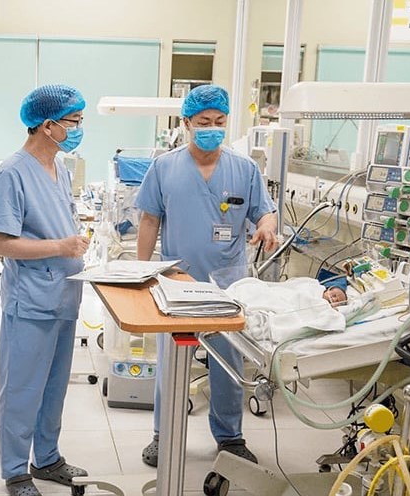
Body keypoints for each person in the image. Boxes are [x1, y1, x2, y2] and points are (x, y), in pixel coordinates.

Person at [135, 84, 279, 469]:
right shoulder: (164, 167)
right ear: (186, 123)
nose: (212, 128)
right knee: (171, 363)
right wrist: (140, 273)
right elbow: (149, 220)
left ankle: (230, 437)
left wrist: (267, 225)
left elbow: (264, 212)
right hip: (176, 283)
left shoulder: (244, 169)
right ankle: (163, 435)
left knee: (228, 364)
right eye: (203, 122)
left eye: (219, 121)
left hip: (226, 286)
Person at [0, 84, 91, 496]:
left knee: (53, 387)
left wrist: (73, 245)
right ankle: (15, 470)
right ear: (48, 126)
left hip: (63, 295)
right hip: (31, 300)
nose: (78, 129)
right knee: (22, 390)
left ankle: (47, 458)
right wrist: (61, 247)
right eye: (73, 122)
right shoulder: (11, 173)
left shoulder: (60, 168)